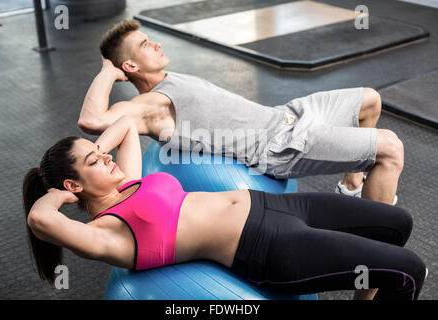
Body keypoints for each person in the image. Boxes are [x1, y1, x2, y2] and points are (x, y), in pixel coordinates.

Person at [23, 116, 426, 300]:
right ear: (73, 185)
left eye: (101, 153)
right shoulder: (104, 233)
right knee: (407, 272)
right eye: (95, 162)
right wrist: (62, 194)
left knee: (397, 224)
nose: (107, 158)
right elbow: (39, 218)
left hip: (276, 204)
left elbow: (128, 124)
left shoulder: (126, 180)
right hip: (268, 246)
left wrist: (98, 154)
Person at [78, 19, 402, 207]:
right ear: (130, 65)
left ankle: (350, 187)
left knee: (370, 100)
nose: (157, 44)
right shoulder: (151, 105)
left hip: (285, 115)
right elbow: (91, 121)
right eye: (145, 45)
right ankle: (380, 254)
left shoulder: (170, 77)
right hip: (279, 147)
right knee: (389, 148)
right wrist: (107, 71)